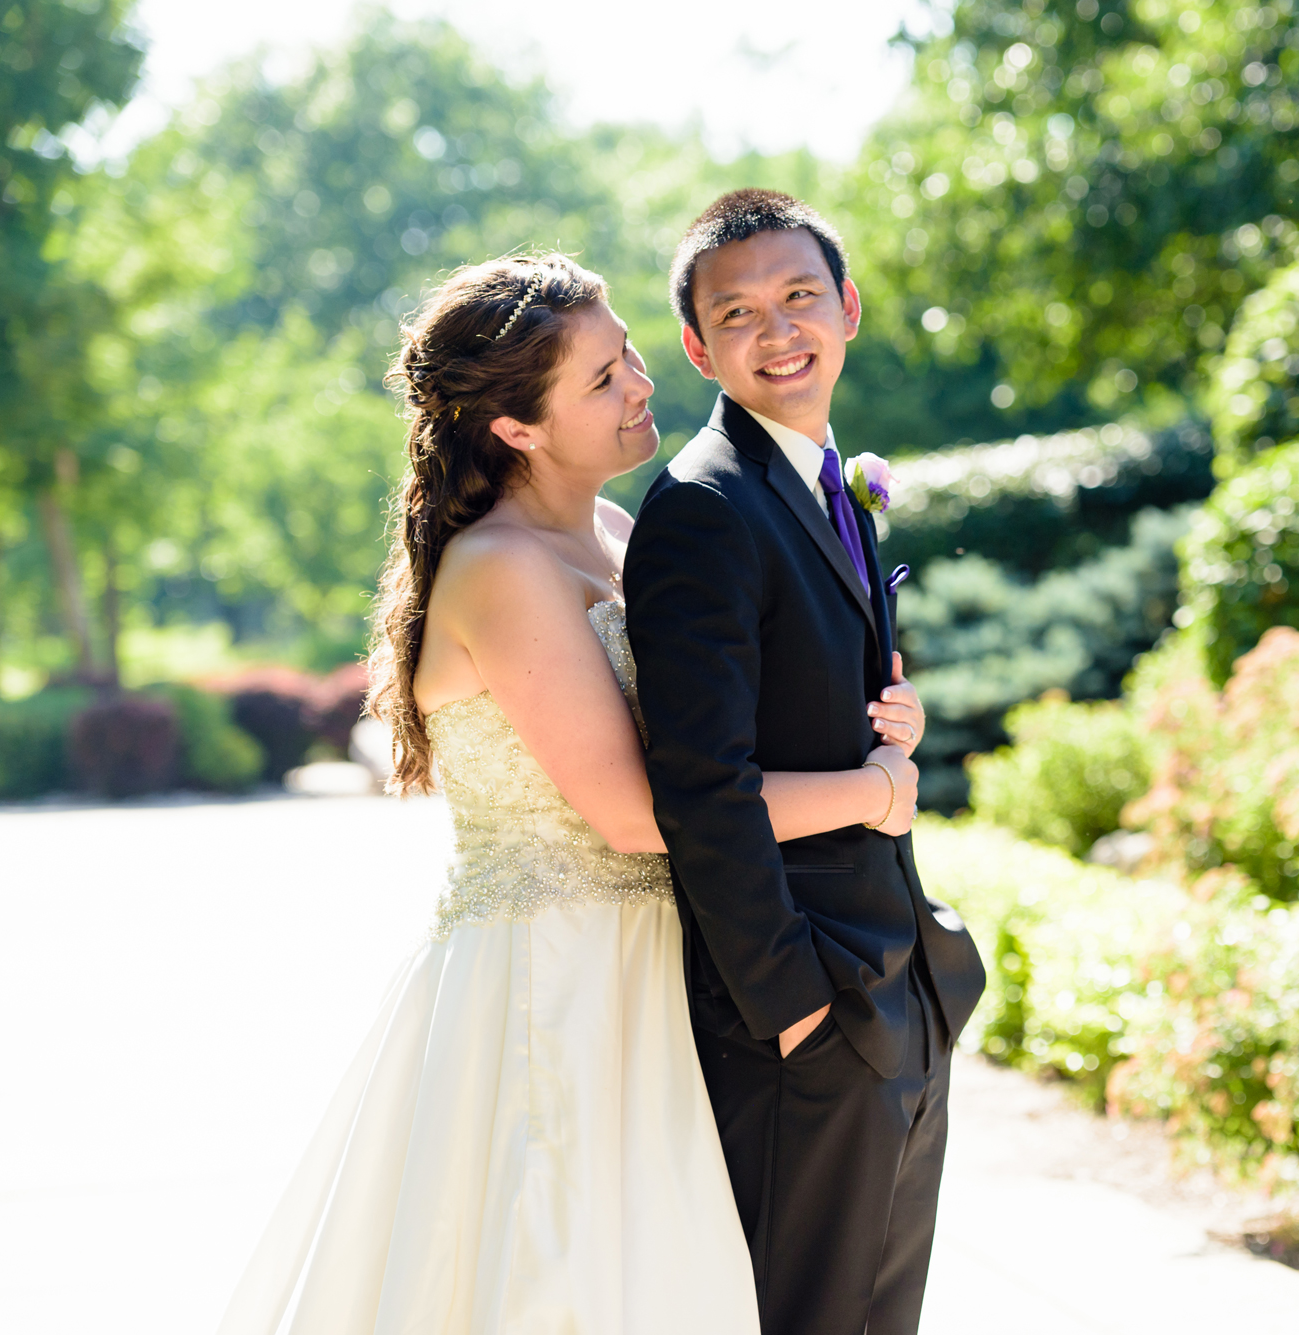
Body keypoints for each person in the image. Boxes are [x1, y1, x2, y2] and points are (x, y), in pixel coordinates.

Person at [215, 252, 928, 1333]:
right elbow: (645, 813)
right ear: (516, 428)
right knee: (562, 1275)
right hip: (556, 979)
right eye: (600, 380)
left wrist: (881, 720)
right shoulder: (501, 568)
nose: (641, 383)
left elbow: (711, 742)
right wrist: (867, 792)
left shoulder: (611, 534)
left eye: (630, 353)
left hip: (658, 963)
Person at [624, 190, 987, 1335]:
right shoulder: (702, 507)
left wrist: (887, 717)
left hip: (900, 984)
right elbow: (699, 787)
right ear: (695, 347)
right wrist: (792, 1018)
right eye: (736, 314)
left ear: (848, 307)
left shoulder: (829, 481)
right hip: (808, 1015)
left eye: (798, 297)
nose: (776, 331)